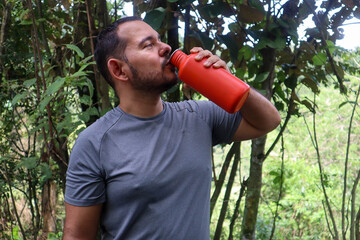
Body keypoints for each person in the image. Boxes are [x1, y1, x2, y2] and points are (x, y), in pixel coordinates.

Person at [63, 16, 281, 240]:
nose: (166, 47)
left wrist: (226, 80)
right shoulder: (94, 143)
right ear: (119, 70)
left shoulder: (199, 116)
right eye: (148, 45)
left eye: (159, 40)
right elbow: (78, 236)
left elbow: (268, 120)